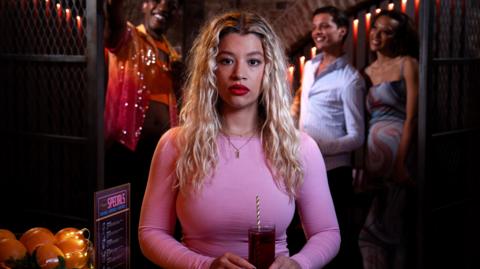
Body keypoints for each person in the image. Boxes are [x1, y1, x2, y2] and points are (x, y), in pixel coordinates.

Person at [139, 11, 340, 269]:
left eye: (253, 62)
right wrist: (204, 266)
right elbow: (150, 233)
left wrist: (299, 264)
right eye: (226, 61)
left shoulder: (299, 147)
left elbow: (327, 232)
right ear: (210, 69)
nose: (239, 74)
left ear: (268, 69)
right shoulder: (176, 144)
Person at [103, 0, 182, 267]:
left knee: (153, 220)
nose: (164, 6)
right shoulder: (128, 37)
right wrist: (113, 7)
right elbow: (113, 24)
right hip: (127, 148)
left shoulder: (172, 53)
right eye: (157, 0)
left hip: (161, 155)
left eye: (171, 3)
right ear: (144, 5)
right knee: (121, 220)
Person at [293, 6, 365, 269]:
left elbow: (357, 137)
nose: (317, 32)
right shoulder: (310, 67)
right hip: (302, 165)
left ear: (342, 31)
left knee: (334, 240)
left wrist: (321, 146)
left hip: (334, 171)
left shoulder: (351, 79)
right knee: (302, 234)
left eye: (324, 26)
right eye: (315, 27)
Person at [358, 9, 419, 269]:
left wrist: (400, 163)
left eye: (387, 32)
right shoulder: (367, 71)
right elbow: (365, 122)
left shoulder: (408, 63)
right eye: (375, 29)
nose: (378, 35)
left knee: (389, 232)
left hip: (400, 158)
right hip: (374, 160)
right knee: (386, 231)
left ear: (398, 37)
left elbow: (412, 118)